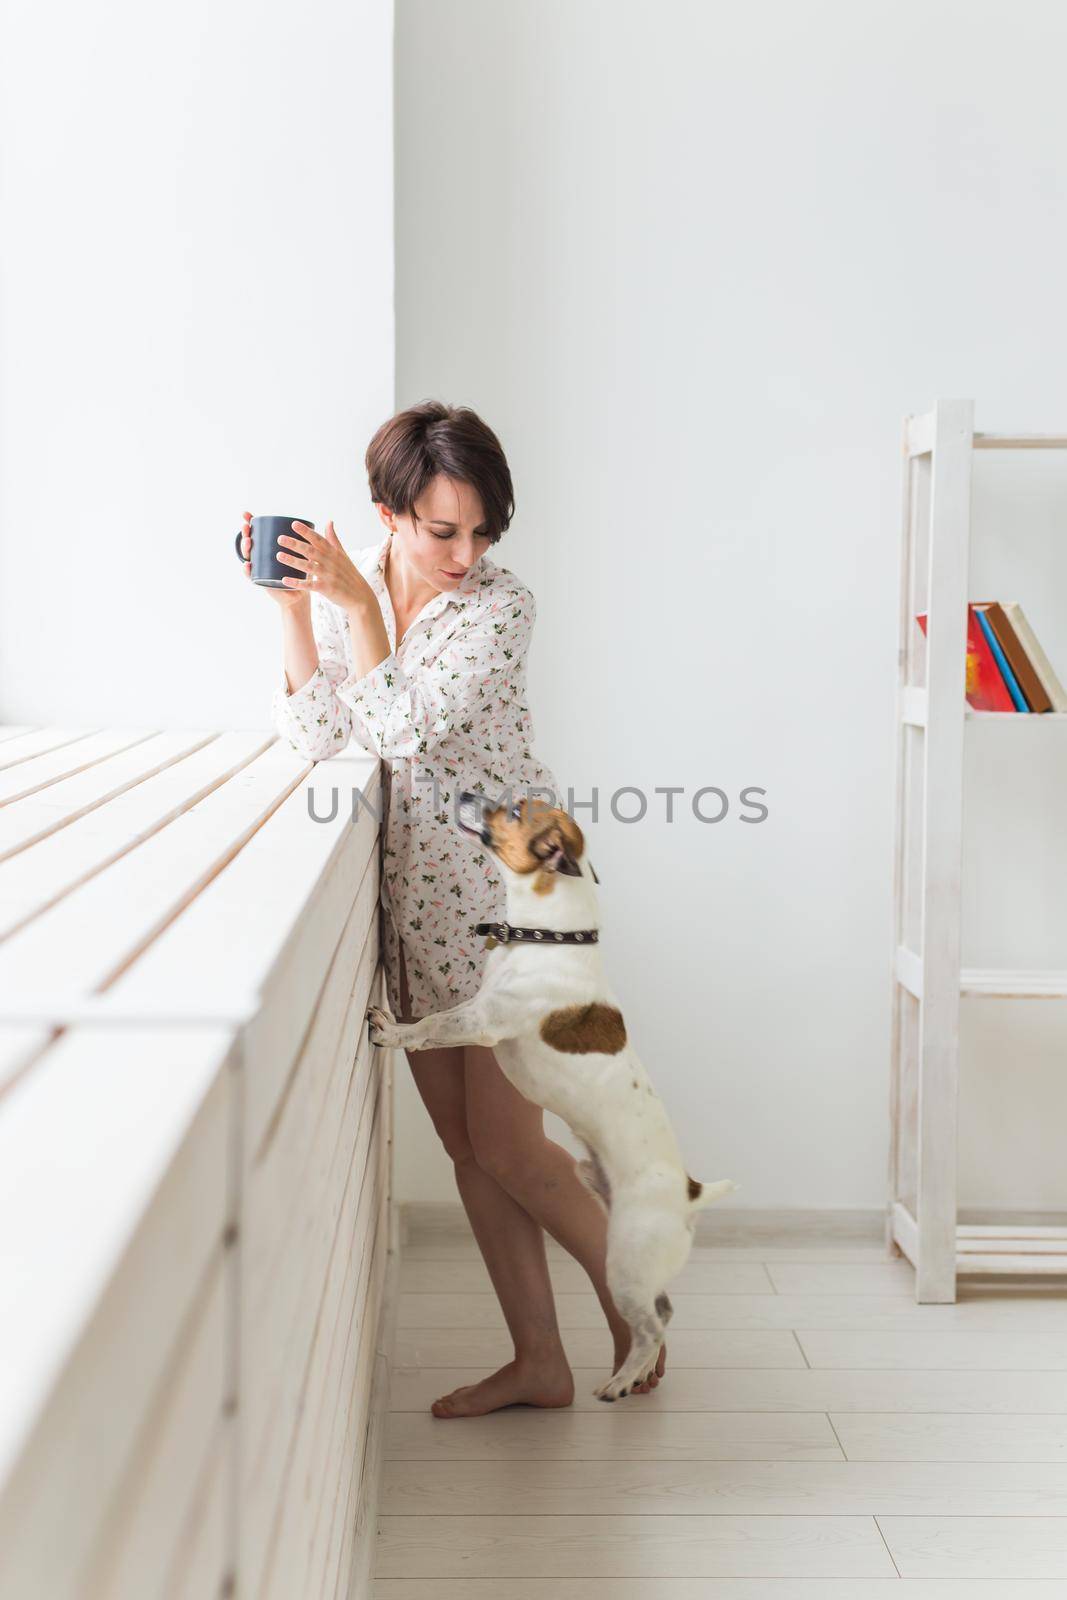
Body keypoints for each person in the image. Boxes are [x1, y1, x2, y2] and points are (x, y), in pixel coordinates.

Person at [239, 399, 665, 1416]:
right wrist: (298, 608)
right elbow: (314, 736)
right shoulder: (374, 592)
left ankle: (638, 1300)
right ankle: (539, 1361)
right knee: (471, 1151)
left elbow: (406, 732)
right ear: (388, 513)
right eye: (442, 530)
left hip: (515, 897)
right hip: (421, 908)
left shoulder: (500, 608)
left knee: (514, 1145)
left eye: (481, 530)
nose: (466, 552)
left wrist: (360, 613)